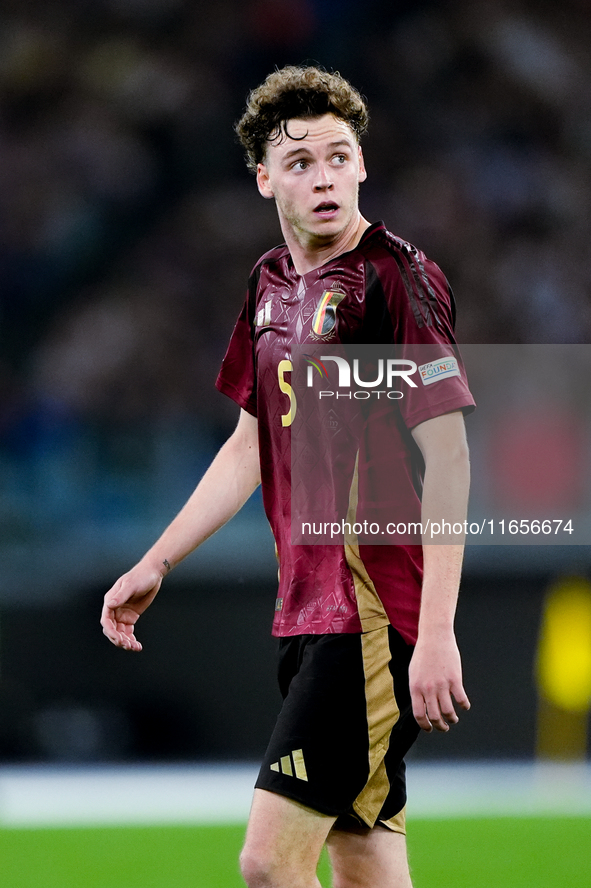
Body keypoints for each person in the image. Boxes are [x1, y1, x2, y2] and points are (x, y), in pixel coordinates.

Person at [101, 65, 475, 888]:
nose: (324, 176)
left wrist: (436, 630)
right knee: (364, 860)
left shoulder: (395, 277)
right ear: (264, 177)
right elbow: (247, 444)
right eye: (300, 162)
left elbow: (448, 453)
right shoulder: (269, 282)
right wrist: (157, 560)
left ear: (363, 166)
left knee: (268, 864)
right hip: (305, 610)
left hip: (374, 613)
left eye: (339, 156)